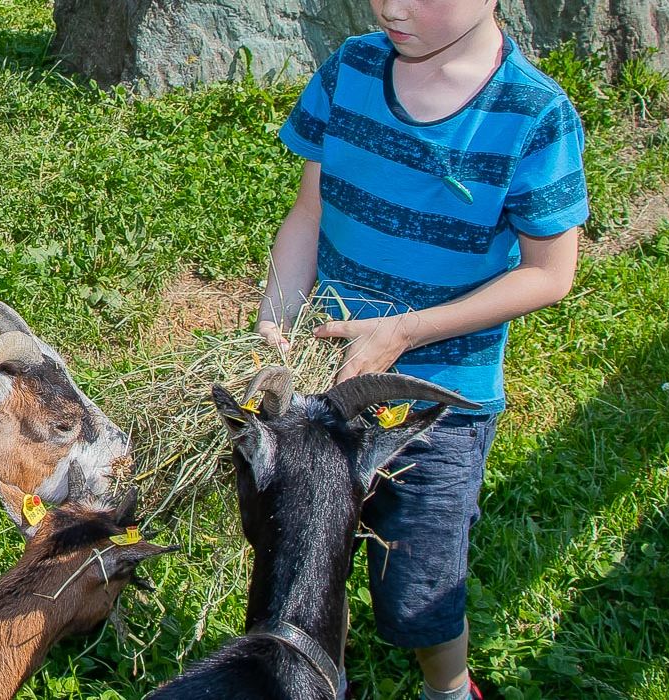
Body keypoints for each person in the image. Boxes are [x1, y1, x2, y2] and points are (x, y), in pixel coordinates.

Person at [254, 0, 589, 697]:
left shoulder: (532, 114)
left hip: (439, 404)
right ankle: (322, 680)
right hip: (329, 382)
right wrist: (277, 318)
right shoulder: (353, 69)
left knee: (417, 587)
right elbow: (310, 212)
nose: (391, 7)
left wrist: (404, 332)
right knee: (305, 561)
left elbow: (550, 274)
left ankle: (448, 686)